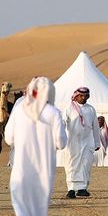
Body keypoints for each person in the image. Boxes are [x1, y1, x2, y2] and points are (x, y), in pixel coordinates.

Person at [4, 77, 68, 216]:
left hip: (21, 171)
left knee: (22, 210)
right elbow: (61, 143)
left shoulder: (19, 110)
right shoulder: (54, 113)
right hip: (44, 173)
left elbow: (8, 139)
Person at [62, 87, 100, 198]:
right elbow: (63, 122)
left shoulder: (91, 109)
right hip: (72, 142)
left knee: (86, 164)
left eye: (85, 96)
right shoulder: (69, 108)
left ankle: (82, 188)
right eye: (81, 96)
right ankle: (71, 189)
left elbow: (96, 127)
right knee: (71, 165)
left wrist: (97, 142)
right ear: (76, 96)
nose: (83, 98)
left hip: (88, 141)